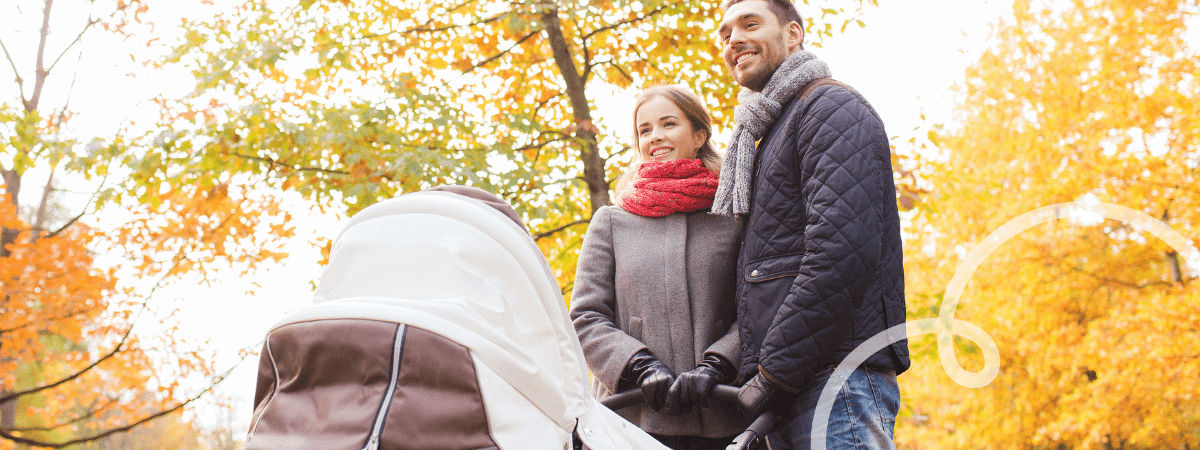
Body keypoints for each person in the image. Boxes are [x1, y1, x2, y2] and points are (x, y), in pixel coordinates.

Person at [711, 1, 911, 449]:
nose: (733, 40)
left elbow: (842, 250)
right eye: (725, 34)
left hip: (836, 379)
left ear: (794, 34)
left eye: (750, 24)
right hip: (796, 381)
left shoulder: (830, 107)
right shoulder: (765, 135)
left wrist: (773, 372)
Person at [570, 86, 747, 449]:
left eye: (669, 124)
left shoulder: (734, 218)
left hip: (724, 417)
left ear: (699, 135)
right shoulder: (611, 222)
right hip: (630, 421)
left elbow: (756, 309)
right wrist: (637, 366)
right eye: (645, 129)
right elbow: (586, 316)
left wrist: (719, 364)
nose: (656, 137)